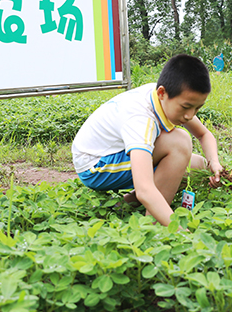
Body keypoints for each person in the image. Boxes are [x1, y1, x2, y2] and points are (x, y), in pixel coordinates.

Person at [72, 54, 223, 226]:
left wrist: (215, 163)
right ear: (162, 93)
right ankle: (151, 226)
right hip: (95, 165)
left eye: (197, 108)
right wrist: (179, 231)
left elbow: (204, 135)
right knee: (179, 144)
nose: (190, 116)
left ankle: (128, 202)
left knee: (198, 166)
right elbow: (144, 188)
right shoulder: (141, 119)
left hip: (114, 154)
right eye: (186, 107)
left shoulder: (165, 95)